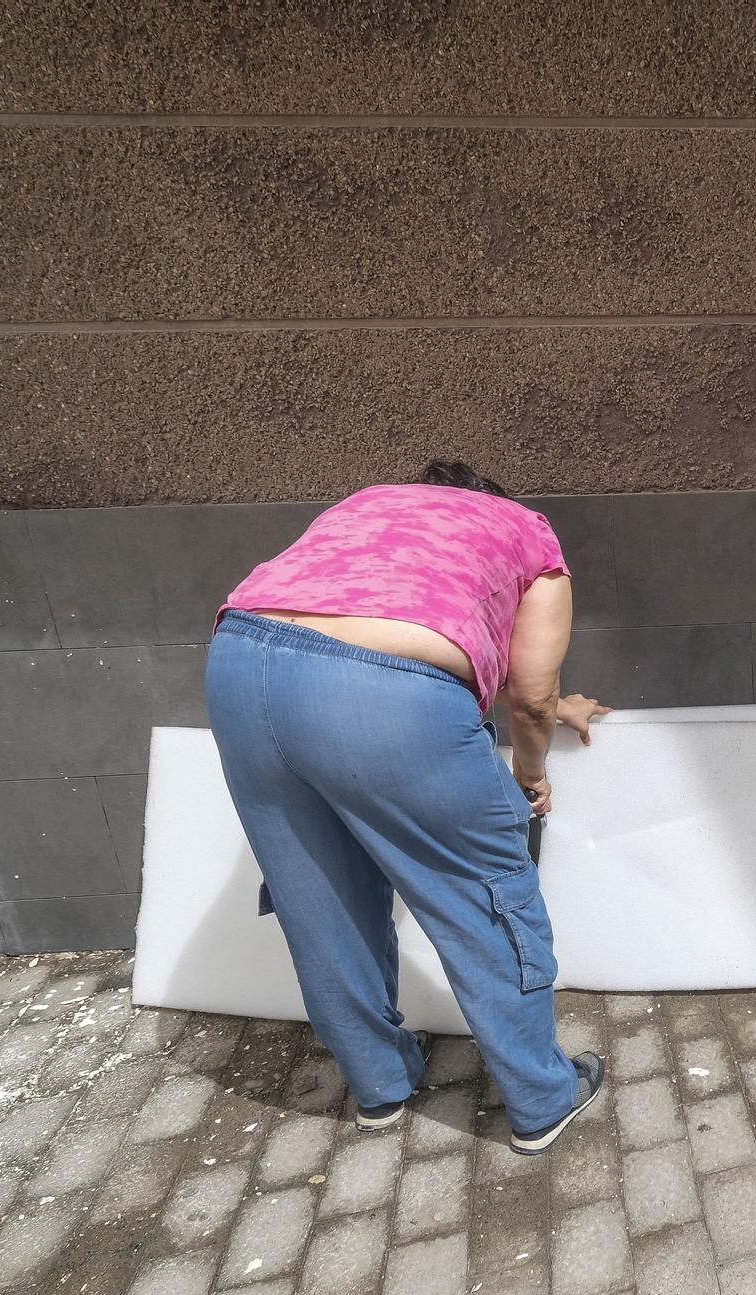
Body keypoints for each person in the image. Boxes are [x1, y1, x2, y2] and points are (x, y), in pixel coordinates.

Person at [205, 459, 610, 1152]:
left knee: (320, 899)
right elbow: (531, 695)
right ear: (495, 500)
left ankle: (380, 1085)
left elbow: (362, 624)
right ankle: (543, 1097)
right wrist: (529, 773)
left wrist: (548, 703)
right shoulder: (528, 533)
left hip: (239, 666)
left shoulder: (368, 503)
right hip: (386, 696)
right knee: (485, 897)